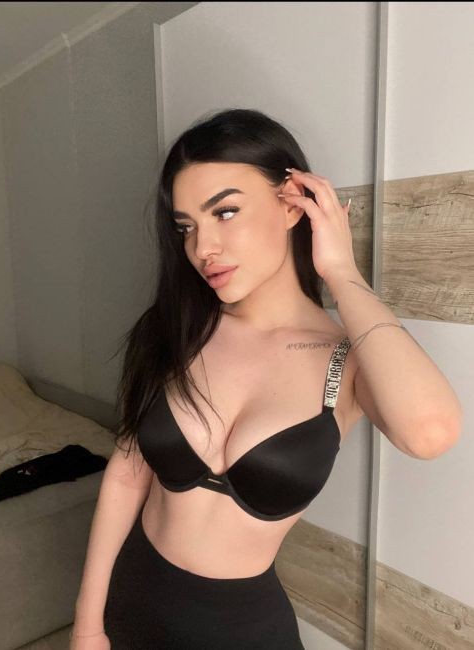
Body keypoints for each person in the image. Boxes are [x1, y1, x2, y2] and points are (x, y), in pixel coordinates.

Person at [70, 108, 462, 649]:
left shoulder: (347, 362)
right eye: (186, 227)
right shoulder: (177, 330)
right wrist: (87, 624)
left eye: (225, 212)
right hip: (131, 602)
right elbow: (126, 475)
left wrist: (341, 272)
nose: (202, 248)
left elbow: (430, 432)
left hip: (243, 632)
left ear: (292, 204)